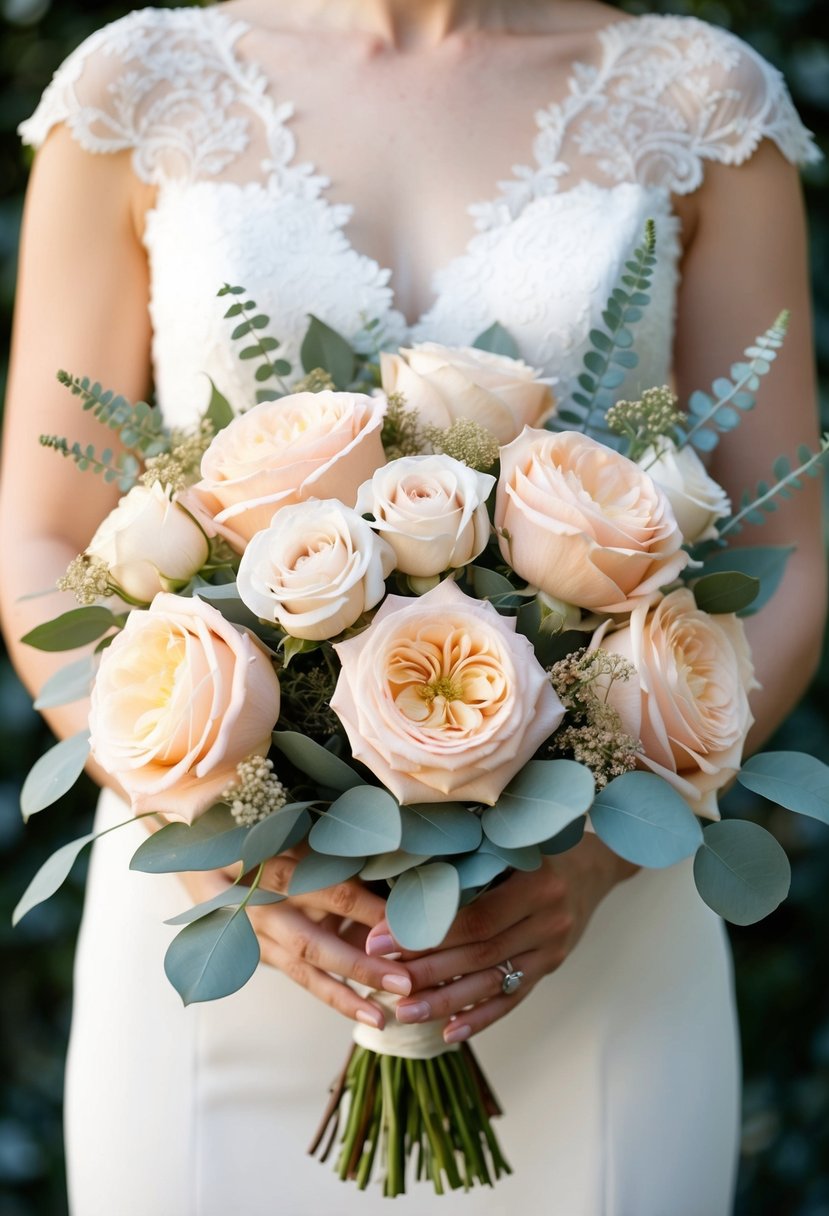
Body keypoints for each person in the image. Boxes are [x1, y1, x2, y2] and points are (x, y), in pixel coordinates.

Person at [0, 1, 824, 1212]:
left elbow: (785, 546)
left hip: (583, 940)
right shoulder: (135, 89)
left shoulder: (700, 104)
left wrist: (595, 863)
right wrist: (217, 847)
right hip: (226, 938)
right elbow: (47, 535)